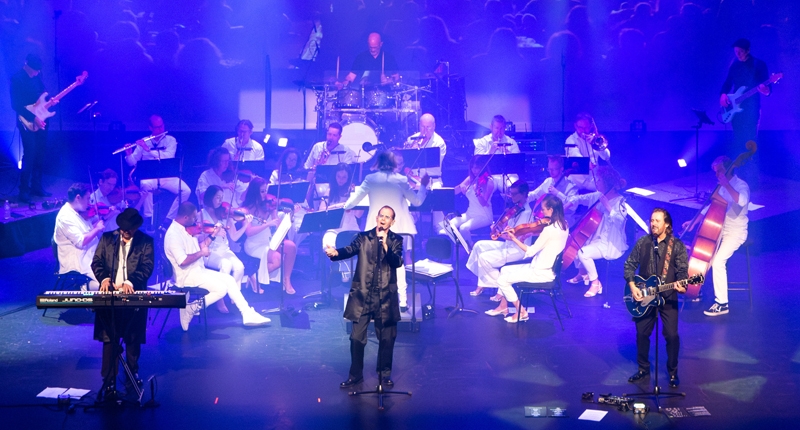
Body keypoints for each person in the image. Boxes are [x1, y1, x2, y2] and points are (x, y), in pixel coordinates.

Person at [326, 206, 404, 388]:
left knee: (386, 338)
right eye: (381, 216)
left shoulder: (396, 240)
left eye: (387, 217)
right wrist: (336, 253)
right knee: (356, 338)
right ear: (376, 218)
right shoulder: (363, 237)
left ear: (392, 222)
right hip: (363, 295)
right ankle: (355, 375)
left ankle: (384, 374)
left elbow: (397, 262)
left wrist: (385, 246)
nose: (383, 219)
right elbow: (349, 249)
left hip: (385, 297)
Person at [344, 151, 429, 312]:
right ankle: (402, 301)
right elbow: (417, 201)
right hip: (398, 228)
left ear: (378, 163)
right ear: (393, 163)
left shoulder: (371, 179)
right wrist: (423, 186)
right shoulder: (401, 180)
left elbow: (351, 203)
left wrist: (346, 205)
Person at [164, 202, 271, 330]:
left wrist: (213, 235)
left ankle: (247, 313)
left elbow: (202, 246)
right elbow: (183, 261)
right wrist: (201, 253)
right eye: (194, 218)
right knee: (221, 289)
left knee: (229, 280)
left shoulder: (187, 228)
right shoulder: (173, 235)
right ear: (185, 217)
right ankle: (192, 308)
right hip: (186, 276)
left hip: (198, 270)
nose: (196, 221)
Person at [90, 208, 154, 400]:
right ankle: (109, 379)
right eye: (124, 229)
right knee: (110, 338)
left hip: (132, 294)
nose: (126, 232)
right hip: (110, 295)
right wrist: (104, 279)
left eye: (130, 229)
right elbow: (96, 262)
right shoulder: (107, 239)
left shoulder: (146, 241)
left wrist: (130, 282)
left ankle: (132, 372)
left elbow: (147, 267)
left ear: (136, 228)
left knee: (132, 337)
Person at [624, 208, 688, 388]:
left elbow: (682, 271)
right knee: (642, 334)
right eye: (652, 220)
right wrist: (633, 287)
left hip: (668, 296)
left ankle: (673, 372)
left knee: (672, 335)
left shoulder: (677, 246)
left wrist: (682, 285)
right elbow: (629, 265)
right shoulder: (643, 242)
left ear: (667, 224)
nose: (653, 224)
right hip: (645, 296)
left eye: (657, 221)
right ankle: (643, 369)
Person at [683, 156, 749, 316]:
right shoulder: (721, 187)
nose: (717, 174)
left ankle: (722, 303)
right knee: (705, 259)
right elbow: (710, 208)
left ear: (729, 169)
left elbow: (742, 201)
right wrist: (693, 222)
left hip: (736, 232)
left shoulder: (741, 185)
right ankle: (695, 290)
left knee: (718, 262)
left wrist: (726, 184)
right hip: (720, 229)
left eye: (719, 171)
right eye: (715, 172)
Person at [485, 195, 569, 323]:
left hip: (540, 272)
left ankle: (521, 312)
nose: (542, 213)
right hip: (547, 269)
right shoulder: (564, 225)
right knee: (505, 270)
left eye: (543, 209)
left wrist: (514, 239)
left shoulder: (549, 230)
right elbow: (550, 238)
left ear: (551, 210)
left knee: (502, 280)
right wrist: (532, 233)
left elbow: (530, 251)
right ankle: (503, 307)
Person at [565, 166, 629, 297]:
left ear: (607, 182)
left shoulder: (620, 202)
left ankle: (595, 282)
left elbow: (620, 221)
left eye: (599, 179)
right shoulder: (598, 195)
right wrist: (565, 207)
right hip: (594, 237)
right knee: (576, 243)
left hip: (609, 243)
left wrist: (608, 206)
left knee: (583, 253)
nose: (596, 182)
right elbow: (578, 198)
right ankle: (583, 273)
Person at [465, 180, 534, 298]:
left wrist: (499, 234)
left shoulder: (526, 213)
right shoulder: (516, 208)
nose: (511, 197)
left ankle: (501, 289)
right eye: (510, 194)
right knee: (478, 246)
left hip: (518, 250)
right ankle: (484, 282)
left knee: (484, 257)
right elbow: (508, 228)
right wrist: (499, 227)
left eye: (514, 194)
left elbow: (514, 237)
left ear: (523, 194)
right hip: (508, 245)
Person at [125, 114, 191, 222]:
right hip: (150, 177)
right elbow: (132, 163)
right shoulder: (144, 141)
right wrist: (129, 154)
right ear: (150, 128)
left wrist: (148, 150)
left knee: (186, 191)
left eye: (161, 126)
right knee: (145, 185)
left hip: (168, 176)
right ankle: (148, 218)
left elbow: (168, 156)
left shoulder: (171, 140)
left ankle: (169, 219)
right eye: (157, 127)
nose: (160, 129)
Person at [200, 185, 254, 313]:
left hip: (225, 250)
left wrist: (245, 224)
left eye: (222, 197)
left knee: (239, 267)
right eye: (217, 197)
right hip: (210, 251)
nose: (220, 200)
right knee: (226, 265)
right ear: (210, 197)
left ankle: (233, 294)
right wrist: (214, 232)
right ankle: (220, 300)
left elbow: (234, 237)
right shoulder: (201, 214)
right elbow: (199, 238)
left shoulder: (224, 214)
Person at [241, 178, 298, 294]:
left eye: (266, 190)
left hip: (269, 241)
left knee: (291, 246)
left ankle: (286, 279)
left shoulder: (268, 206)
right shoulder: (246, 210)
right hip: (254, 245)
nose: (265, 194)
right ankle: (254, 276)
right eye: (262, 191)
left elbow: (278, 228)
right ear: (255, 192)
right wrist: (267, 224)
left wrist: (289, 216)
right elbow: (249, 232)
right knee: (278, 259)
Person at [10, 53, 50, 202]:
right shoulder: (17, 79)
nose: (37, 73)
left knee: (40, 153)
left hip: (41, 120)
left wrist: (49, 102)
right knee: (30, 153)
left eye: (38, 70)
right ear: (27, 66)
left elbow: (41, 96)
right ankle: (24, 190)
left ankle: (36, 186)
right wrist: (34, 118)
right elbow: (16, 105)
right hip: (25, 121)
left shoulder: (38, 77)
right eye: (34, 70)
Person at [720, 39, 770, 148]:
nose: (738, 54)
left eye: (741, 51)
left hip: (751, 107)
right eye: (736, 51)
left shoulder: (759, 64)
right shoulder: (734, 66)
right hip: (735, 106)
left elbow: (768, 89)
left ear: (748, 50)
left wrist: (765, 90)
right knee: (738, 139)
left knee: (751, 139)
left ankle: (751, 157)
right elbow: (728, 83)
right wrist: (723, 94)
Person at [54, 183, 105, 291]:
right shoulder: (65, 217)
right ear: (78, 197)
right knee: (105, 283)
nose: (89, 202)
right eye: (87, 198)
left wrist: (95, 226)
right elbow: (81, 241)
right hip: (80, 261)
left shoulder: (77, 212)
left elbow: (86, 231)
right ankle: (85, 288)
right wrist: (97, 229)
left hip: (91, 255)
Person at [320, 164, 363, 282]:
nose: (341, 180)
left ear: (348, 178)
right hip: (334, 228)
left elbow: (358, 214)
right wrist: (341, 206)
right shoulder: (330, 191)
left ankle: (346, 271)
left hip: (351, 226)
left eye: (344, 177)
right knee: (328, 244)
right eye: (338, 177)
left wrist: (355, 198)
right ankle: (343, 269)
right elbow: (321, 210)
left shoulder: (353, 191)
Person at [404, 113, 446, 227]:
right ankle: (409, 225)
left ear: (434, 126)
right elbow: (404, 163)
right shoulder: (411, 139)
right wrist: (411, 152)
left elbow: (434, 164)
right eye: (423, 127)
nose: (425, 130)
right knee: (406, 197)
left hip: (433, 179)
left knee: (437, 196)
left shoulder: (439, 142)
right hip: (414, 180)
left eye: (428, 127)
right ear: (419, 125)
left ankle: (440, 227)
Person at [443, 155, 494, 247]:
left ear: (483, 167)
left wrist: (477, 192)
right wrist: (461, 186)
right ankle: (458, 246)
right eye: (472, 167)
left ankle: (470, 248)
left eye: (477, 168)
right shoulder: (471, 179)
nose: (474, 170)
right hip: (470, 213)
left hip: (484, 216)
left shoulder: (489, 182)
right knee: (447, 225)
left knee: (464, 228)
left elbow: (484, 203)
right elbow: (455, 191)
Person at [564, 113, 611, 191]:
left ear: (590, 126)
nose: (583, 131)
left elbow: (606, 157)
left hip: (594, 180)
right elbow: (576, 156)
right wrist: (587, 164)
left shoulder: (594, 139)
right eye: (580, 128)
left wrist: (595, 144)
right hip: (577, 184)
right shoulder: (570, 140)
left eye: (586, 127)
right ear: (575, 126)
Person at [527, 156, 579, 227]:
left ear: (561, 169)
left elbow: (574, 206)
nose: (551, 172)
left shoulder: (571, 186)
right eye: (549, 169)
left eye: (554, 169)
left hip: (564, 224)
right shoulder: (548, 181)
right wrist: (523, 197)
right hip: (547, 223)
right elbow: (534, 194)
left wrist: (557, 193)